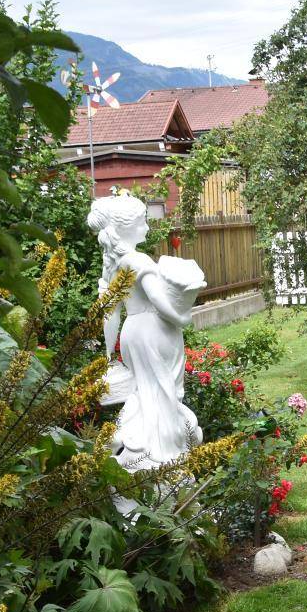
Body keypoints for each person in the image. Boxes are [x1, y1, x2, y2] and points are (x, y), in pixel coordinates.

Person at [87, 193, 207, 470]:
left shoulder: (114, 265)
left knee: (147, 392)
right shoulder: (138, 261)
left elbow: (110, 314)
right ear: (126, 226)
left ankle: (132, 441)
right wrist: (184, 317)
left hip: (133, 332)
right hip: (155, 331)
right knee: (163, 394)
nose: (147, 226)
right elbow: (163, 305)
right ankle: (163, 454)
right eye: (143, 220)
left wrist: (109, 354)